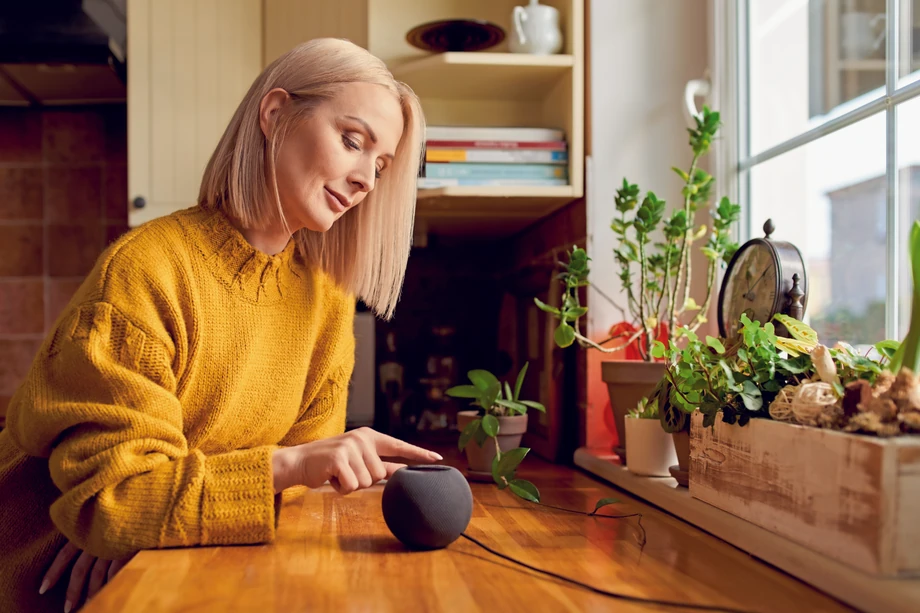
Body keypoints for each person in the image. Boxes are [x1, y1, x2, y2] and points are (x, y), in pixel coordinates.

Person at [0, 38, 439, 613]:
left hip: (182, 561)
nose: (365, 180)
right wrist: (133, 517)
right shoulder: (146, 270)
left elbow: (301, 495)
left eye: (380, 166)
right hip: (56, 584)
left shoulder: (327, 304)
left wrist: (158, 520)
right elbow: (115, 507)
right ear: (275, 112)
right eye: (352, 141)